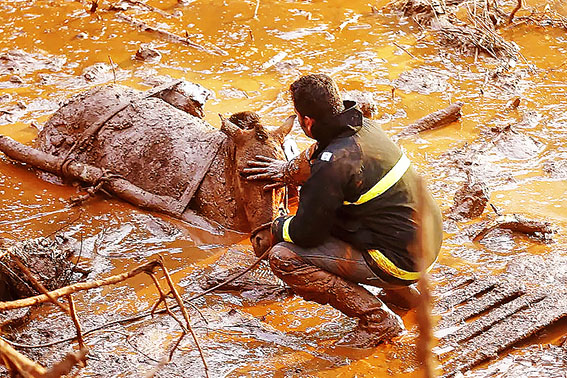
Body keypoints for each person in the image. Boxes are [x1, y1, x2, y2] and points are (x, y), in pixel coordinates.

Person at [242, 74, 443, 348]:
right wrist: (286, 171)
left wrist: (277, 226)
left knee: (283, 256)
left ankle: (376, 319)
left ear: (307, 121)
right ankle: (407, 298)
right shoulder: (364, 129)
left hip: (399, 261)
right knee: (362, 217)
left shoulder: (333, 165)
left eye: (299, 117)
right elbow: (317, 153)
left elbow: (306, 234)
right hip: (426, 244)